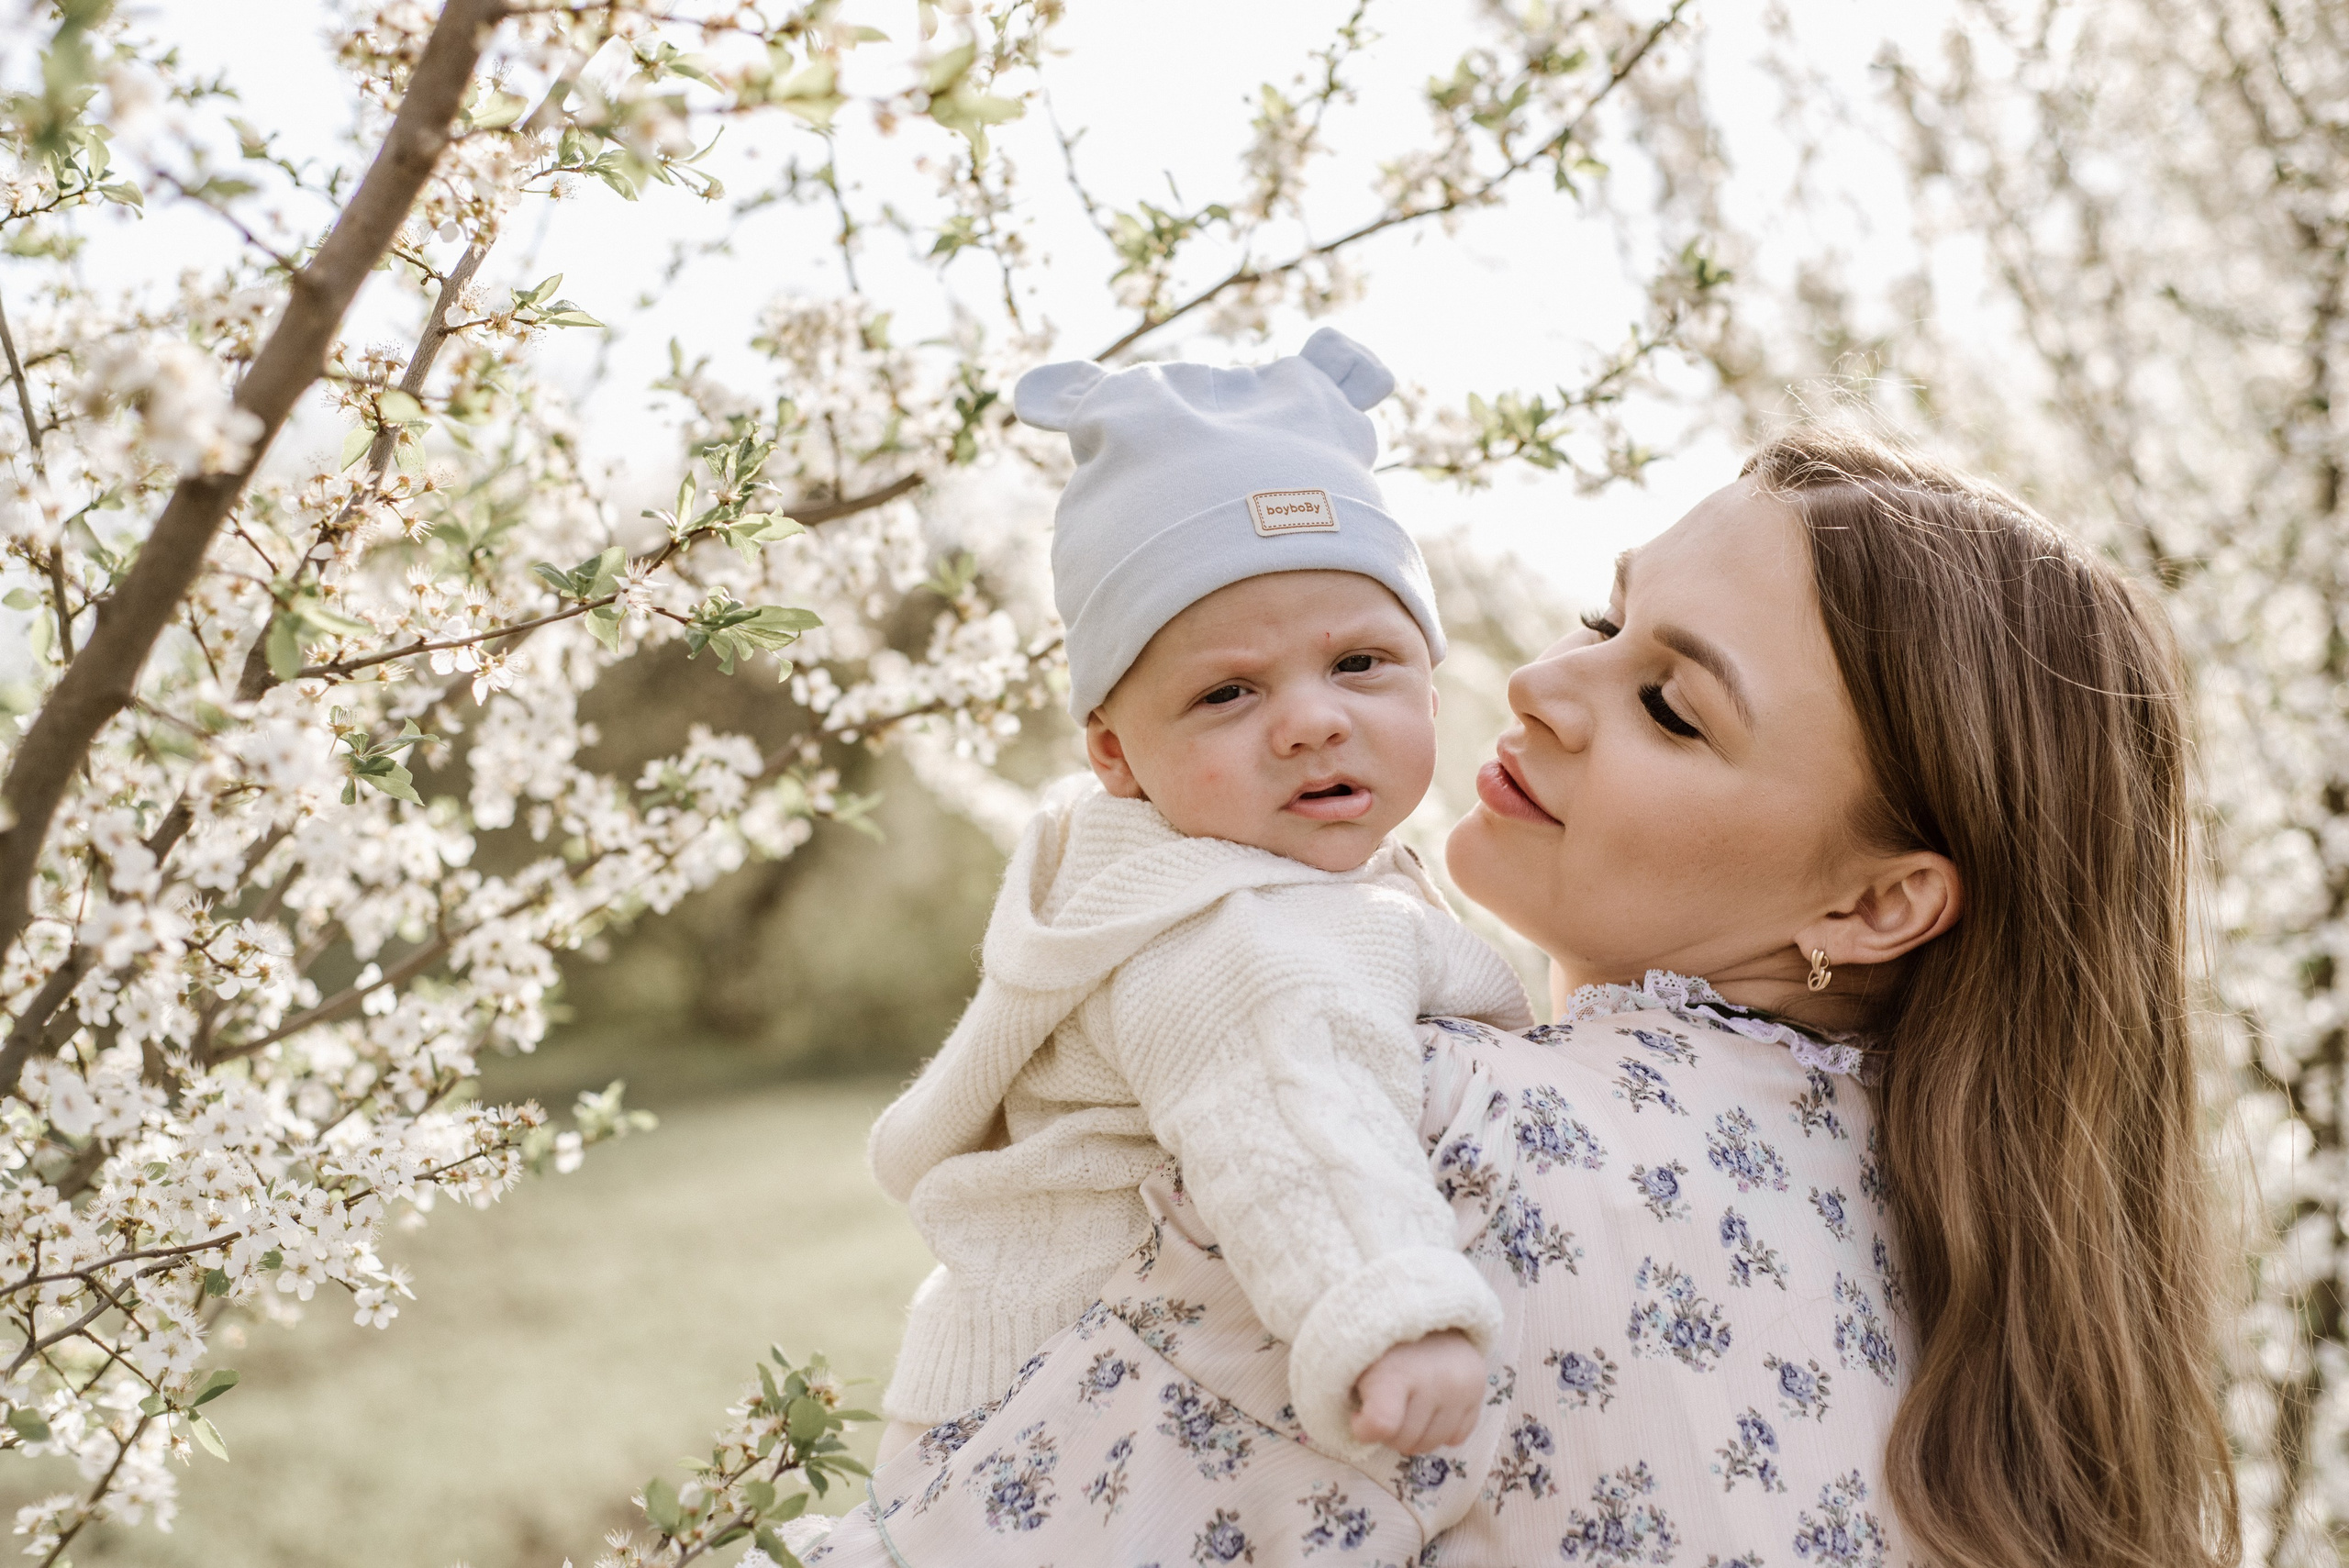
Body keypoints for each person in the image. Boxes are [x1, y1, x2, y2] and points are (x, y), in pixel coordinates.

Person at [804, 428, 2241, 1568]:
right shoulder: (1971, 1253)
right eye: (1602, 620)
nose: (1549, 682)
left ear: (1874, 903)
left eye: (1674, 705)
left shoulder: (1417, 1157)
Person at [863, 329, 1536, 1476]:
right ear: (1119, 754)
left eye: (1361, 663)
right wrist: (1390, 1301)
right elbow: (1288, 1097)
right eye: (1229, 691)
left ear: (1430, 676)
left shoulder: (1246, 862)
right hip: (1068, 1430)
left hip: (1054, 1392)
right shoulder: (1229, 930)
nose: (1312, 719)